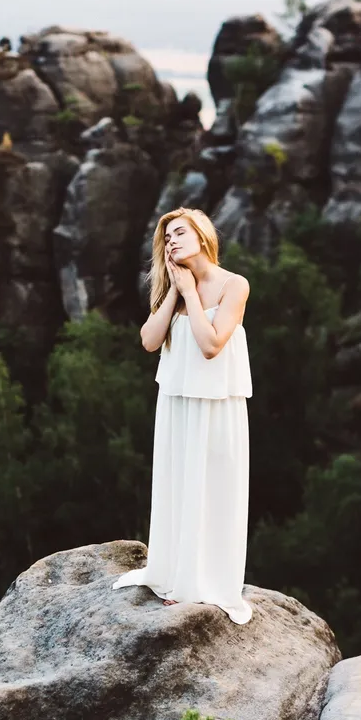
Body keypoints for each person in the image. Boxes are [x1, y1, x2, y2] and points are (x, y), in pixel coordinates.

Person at [111, 207, 254, 624]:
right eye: (166, 237)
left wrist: (191, 293)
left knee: (212, 487)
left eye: (178, 233)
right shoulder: (173, 288)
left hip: (215, 405)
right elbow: (149, 341)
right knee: (178, 485)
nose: (171, 241)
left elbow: (211, 345)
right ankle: (174, 572)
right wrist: (175, 291)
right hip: (177, 402)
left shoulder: (234, 285)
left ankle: (202, 582)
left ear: (202, 236)